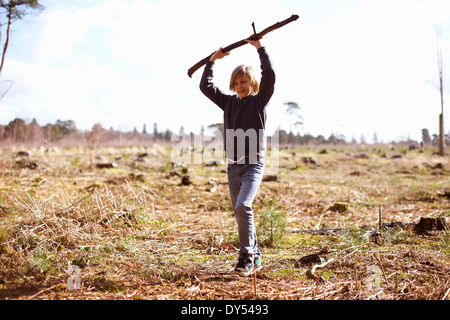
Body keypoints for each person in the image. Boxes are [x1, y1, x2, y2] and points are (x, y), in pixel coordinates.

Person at [199, 38, 275, 276]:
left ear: (252, 83)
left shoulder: (259, 102)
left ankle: (246, 258)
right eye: (237, 82)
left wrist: (259, 48)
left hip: (253, 164)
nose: (240, 85)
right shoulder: (228, 103)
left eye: (244, 81)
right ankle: (256, 256)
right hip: (233, 167)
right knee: (240, 212)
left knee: (243, 205)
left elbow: (270, 74)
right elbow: (205, 86)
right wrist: (212, 60)